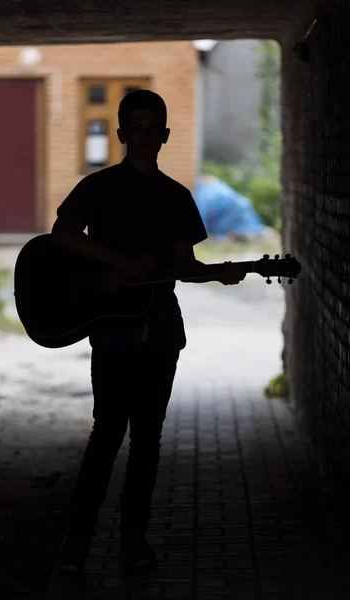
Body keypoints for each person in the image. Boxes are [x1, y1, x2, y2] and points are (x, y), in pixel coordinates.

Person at [50, 89, 246, 578]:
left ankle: (133, 538)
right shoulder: (97, 188)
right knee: (106, 434)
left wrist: (220, 273)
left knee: (148, 440)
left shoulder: (177, 197)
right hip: (113, 334)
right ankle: (77, 540)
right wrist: (117, 262)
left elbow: (183, 267)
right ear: (121, 134)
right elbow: (61, 235)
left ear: (164, 135)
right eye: (133, 126)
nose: (143, 135)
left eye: (152, 126)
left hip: (160, 333)